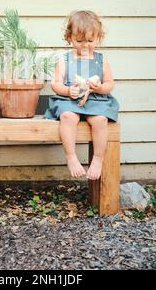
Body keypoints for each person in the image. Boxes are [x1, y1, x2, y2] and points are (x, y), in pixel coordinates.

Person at [44, 10, 120, 180]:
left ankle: (98, 159)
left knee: (100, 120)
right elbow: (55, 83)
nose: (85, 46)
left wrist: (99, 88)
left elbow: (109, 84)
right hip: (70, 100)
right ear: (69, 38)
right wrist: (67, 90)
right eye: (79, 41)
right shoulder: (64, 60)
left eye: (90, 41)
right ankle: (71, 157)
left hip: (95, 100)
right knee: (68, 117)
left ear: (98, 38)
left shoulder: (101, 60)